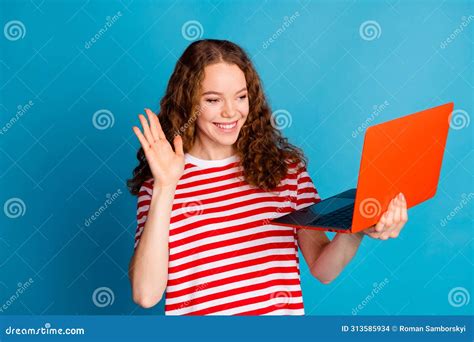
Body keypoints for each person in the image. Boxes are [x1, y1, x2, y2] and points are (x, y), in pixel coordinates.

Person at [127, 39, 408, 315]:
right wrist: (165, 186)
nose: (230, 112)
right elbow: (146, 294)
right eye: (213, 99)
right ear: (188, 102)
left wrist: (358, 226)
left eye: (240, 96)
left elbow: (323, 269)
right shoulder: (161, 185)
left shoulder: (286, 172)